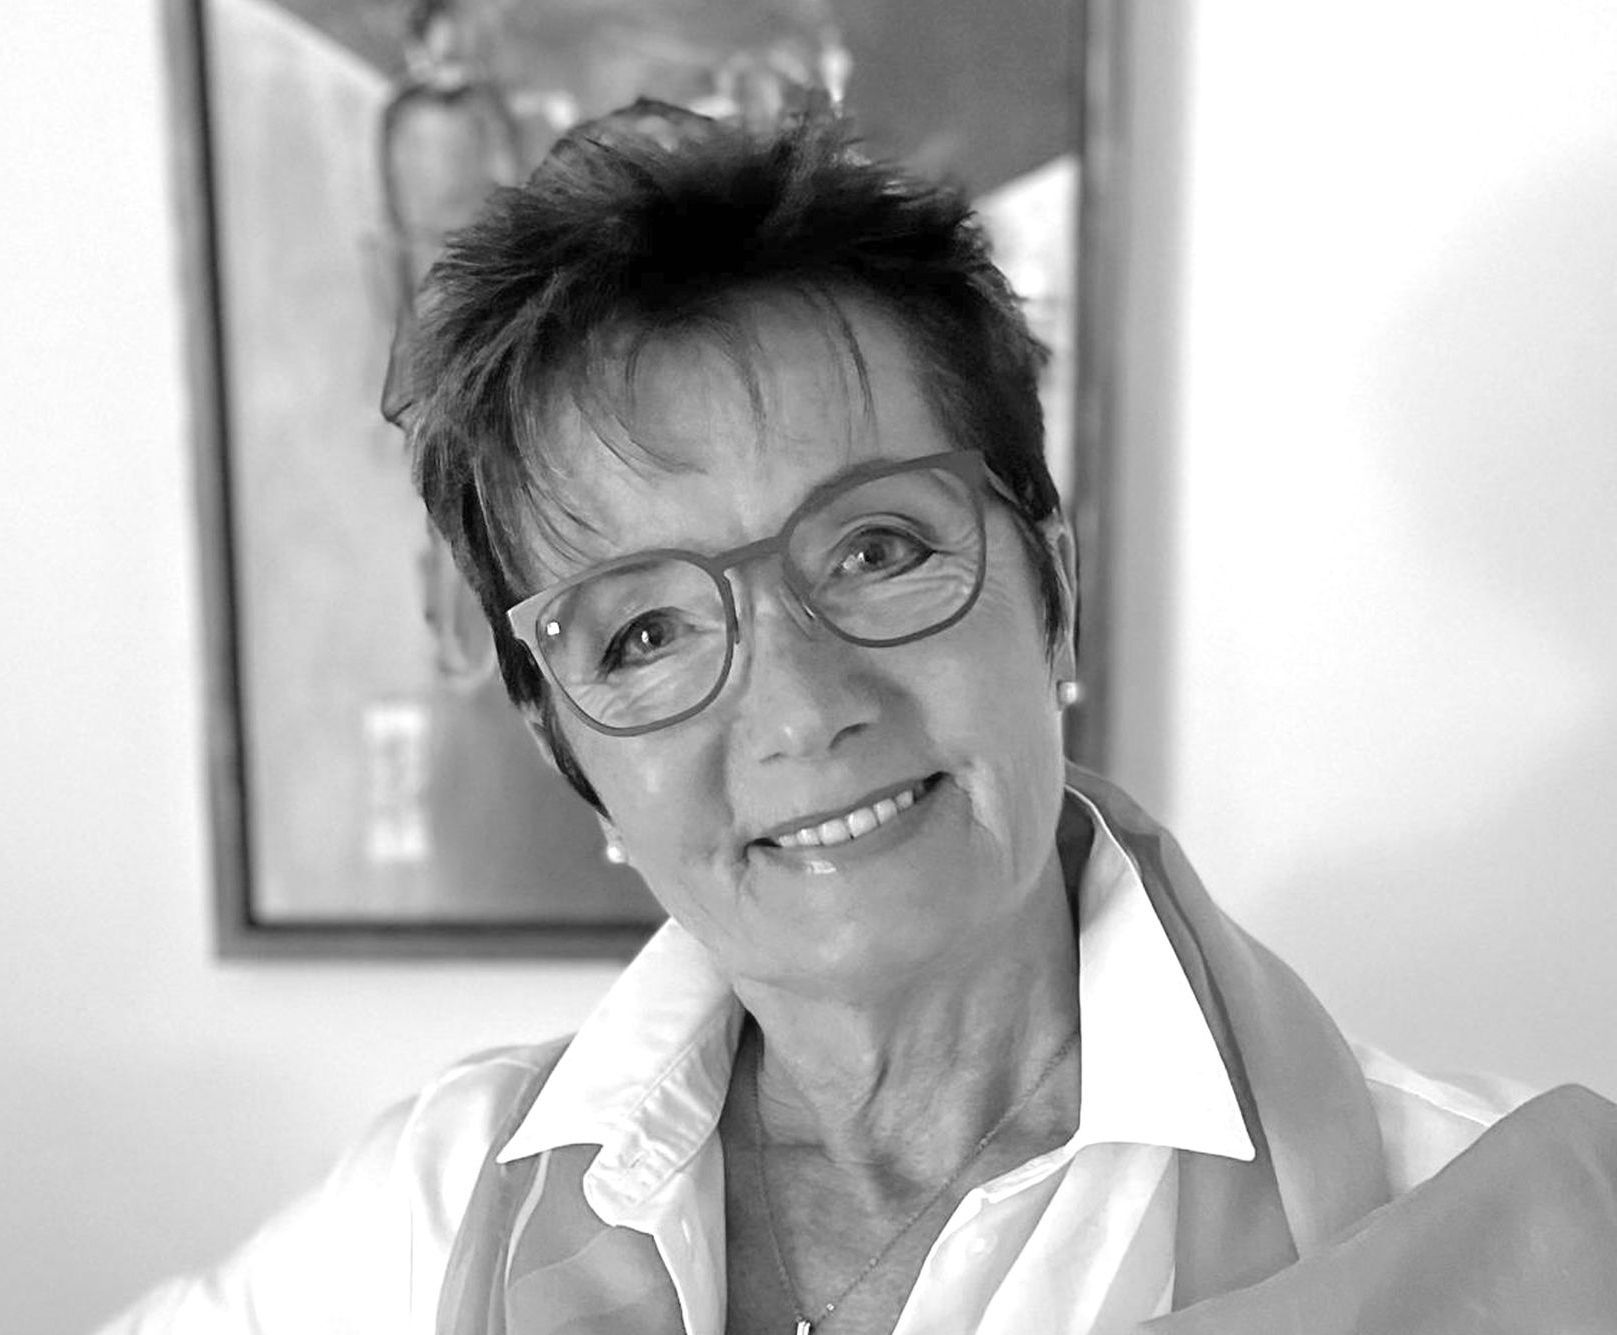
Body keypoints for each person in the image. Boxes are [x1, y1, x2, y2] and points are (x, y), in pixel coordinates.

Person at [101, 104, 1617, 1335]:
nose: (801, 707)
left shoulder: (1508, 1229)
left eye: (878, 550)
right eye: (645, 631)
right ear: (574, 754)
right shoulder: (432, 1219)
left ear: (1052, 597)